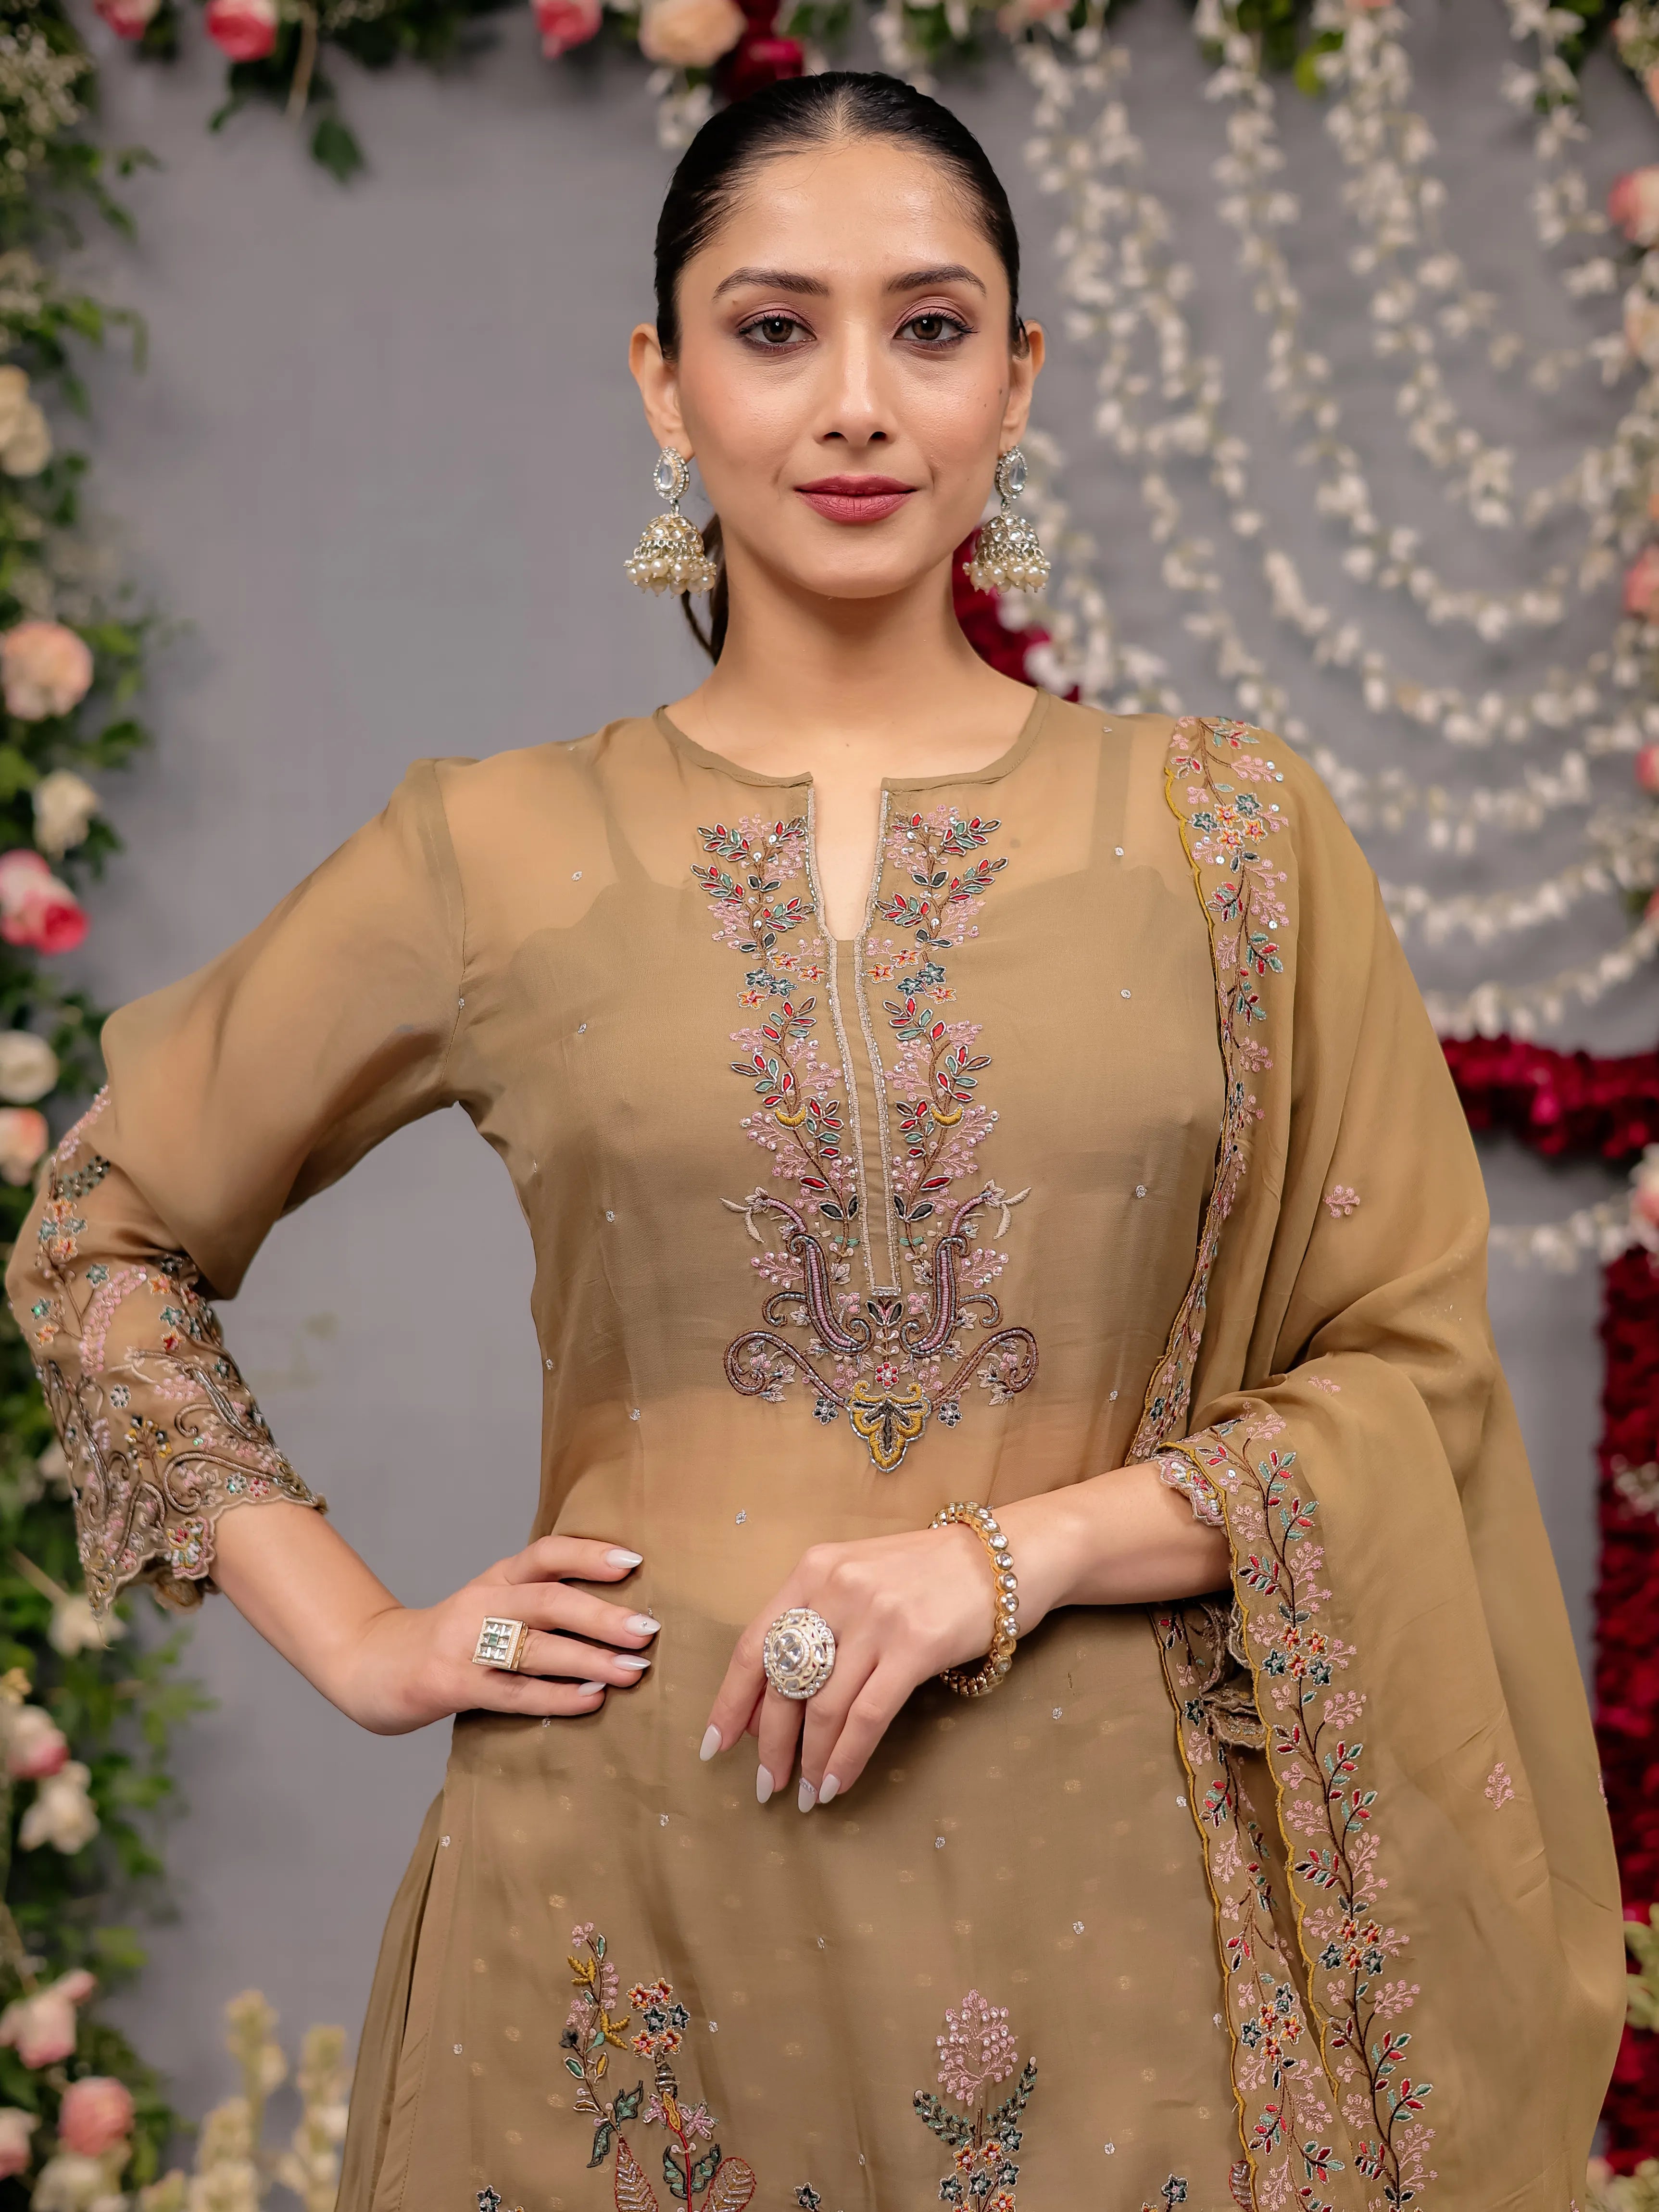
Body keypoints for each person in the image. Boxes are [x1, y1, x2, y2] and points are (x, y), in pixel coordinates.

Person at [5, 71, 1623, 2212]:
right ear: (663, 386)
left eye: (928, 328)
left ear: (1017, 380)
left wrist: (1002, 1554)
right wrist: (369, 1641)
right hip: (620, 1910)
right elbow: (98, 1232)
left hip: (1115, 1919)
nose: (855, 402)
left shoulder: (1229, 837)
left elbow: (1400, 1384)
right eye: (773, 330)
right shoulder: (491, 850)